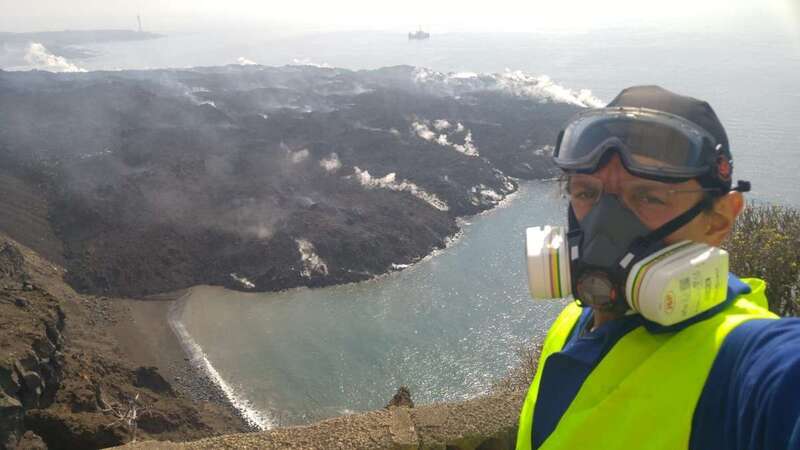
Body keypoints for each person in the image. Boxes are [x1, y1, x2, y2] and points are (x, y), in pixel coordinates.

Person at [516, 86, 800, 450]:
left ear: (719, 219)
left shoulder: (746, 366)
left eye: (648, 196)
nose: (605, 225)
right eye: (587, 193)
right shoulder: (573, 321)